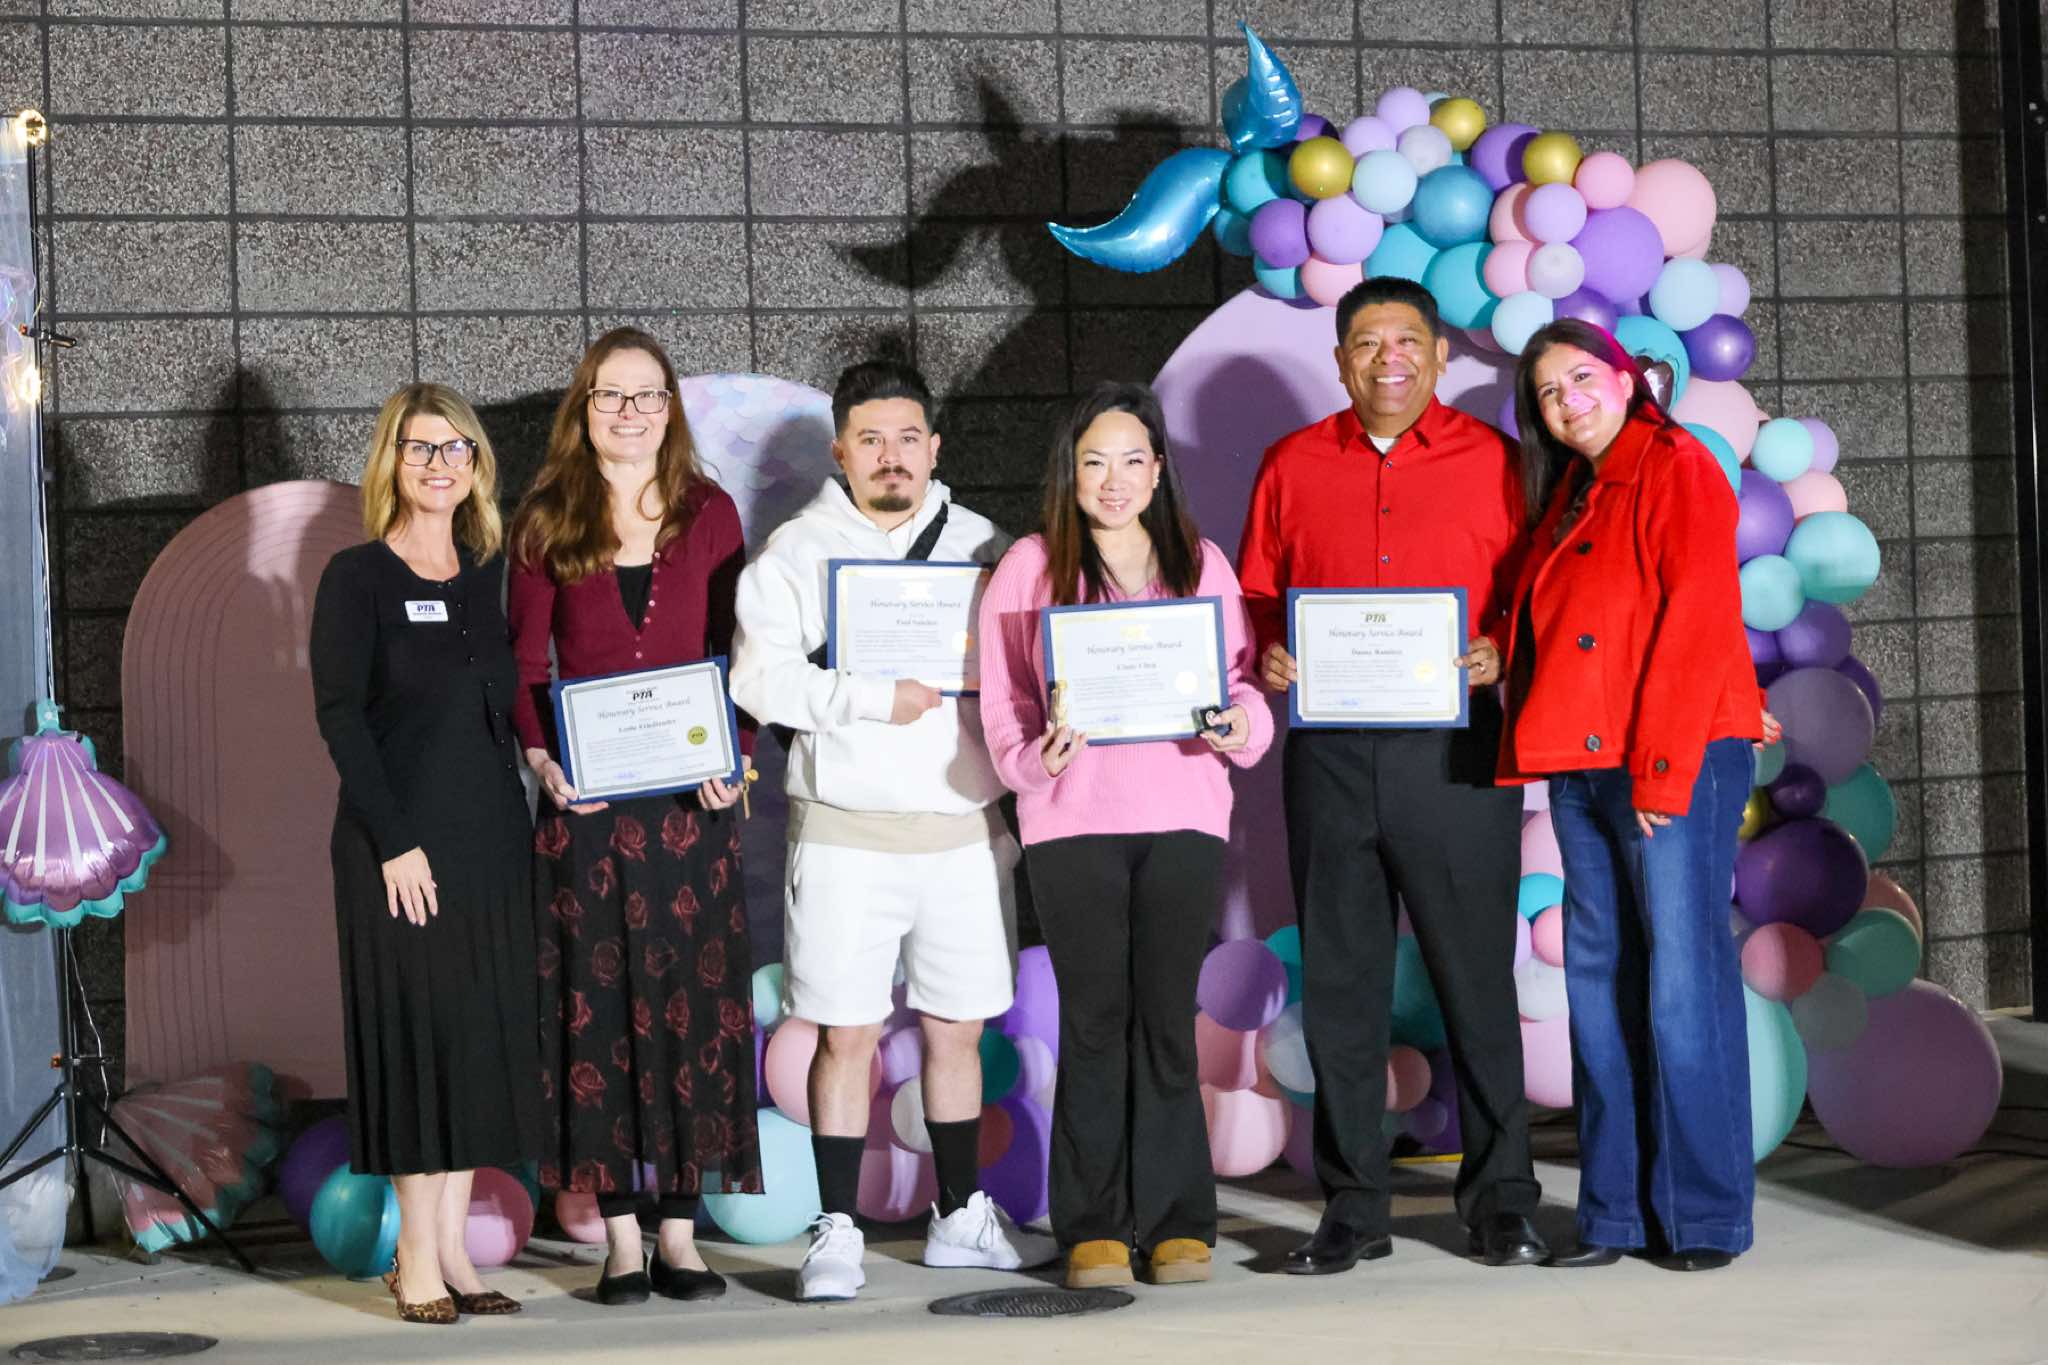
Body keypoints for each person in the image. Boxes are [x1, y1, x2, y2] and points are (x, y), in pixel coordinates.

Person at [1237, 276, 1548, 1274]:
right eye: (1367, 342)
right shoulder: (1290, 463)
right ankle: (1353, 1207)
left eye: (1407, 339)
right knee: (1341, 984)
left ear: (1439, 355)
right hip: (1329, 755)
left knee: (1475, 980)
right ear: (1339, 360)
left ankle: (1501, 1202)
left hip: (1458, 753)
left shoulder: (1498, 463)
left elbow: (1533, 594)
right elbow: (1256, 594)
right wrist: (1269, 650)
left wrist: (1501, 648)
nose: (1389, 358)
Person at [731, 359, 1056, 1301]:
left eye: (908, 438)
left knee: (958, 1027)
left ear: (935, 447)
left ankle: (960, 1215)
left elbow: (1025, 670)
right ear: (841, 451)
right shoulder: (796, 551)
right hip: (845, 832)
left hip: (962, 829)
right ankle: (838, 1228)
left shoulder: (986, 544)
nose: (891, 456)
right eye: (870, 439)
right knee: (846, 1031)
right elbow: (758, 679)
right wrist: (873, 696)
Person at [977, 382, 1273, 1289]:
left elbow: (1243, 683)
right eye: (1094, 460)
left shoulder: (1200, 562)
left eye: (1132, 460)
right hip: (1074, 825)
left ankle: (1178, 1220)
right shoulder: (1030, 566)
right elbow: (1005, 702)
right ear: (1069, 472)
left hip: (1183, 818)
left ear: (1157, 471)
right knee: (1096, 1024)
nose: (1114, 479)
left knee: (1166, 1023)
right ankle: (1095, 1226)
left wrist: (1240, 726)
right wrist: (1034, 760)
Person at [1498, 319, 1775, 1272]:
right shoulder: (1573, 490)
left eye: (1582, 377)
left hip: (1668, 759)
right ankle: (1614, 1214)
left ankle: (1704, 1215)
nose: (1567, 401)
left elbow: (1696, 617)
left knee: (1682, 986)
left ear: (1628, 379)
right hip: (1584, 762)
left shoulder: (1674, 462)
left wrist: (1663, 768)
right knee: (1602, 985)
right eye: (1548, 393)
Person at [509, 326, 759, 1307]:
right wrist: (542, 760)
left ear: (670, 408)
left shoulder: (710, 513)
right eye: (609, 395)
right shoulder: (546, 520)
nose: (629, 411)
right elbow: (523, 668)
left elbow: (741, 652)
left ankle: (681, 1236)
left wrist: (737, 754)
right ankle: (619, 1238)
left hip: (693, 807)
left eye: (647, 393)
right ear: (583, 409)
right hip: (590, 811)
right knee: (598, 1016)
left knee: (696, 1008)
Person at [310, 383, 544, 1325]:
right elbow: (340, 717)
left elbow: (511, 701)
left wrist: (546, 763)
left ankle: (451, 1247)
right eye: (420, 448)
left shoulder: (486, 574)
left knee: (474, 1042)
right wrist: (396, 841)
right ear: (392, 462)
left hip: (490, 842)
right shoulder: (357, 577)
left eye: (456, 448)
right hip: (398, 847)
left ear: (476, 465)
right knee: (420, 1045)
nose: (439, 464)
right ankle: (413, 1256)